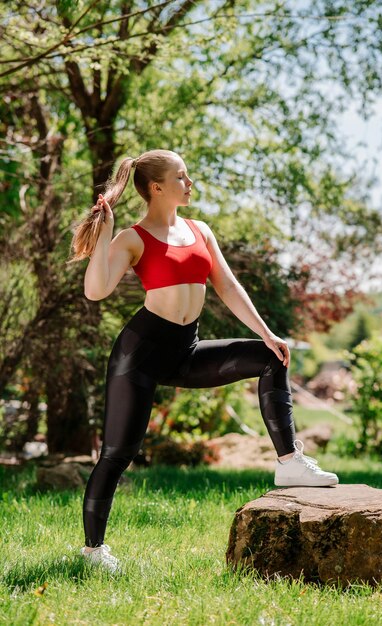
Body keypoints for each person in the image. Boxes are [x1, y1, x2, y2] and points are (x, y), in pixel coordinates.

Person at [69, 149, 338, 573]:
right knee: (119, 453)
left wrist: (267, 333)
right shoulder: (134, 238)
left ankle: (289, 464)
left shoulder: (200, 231)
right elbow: (96, 290)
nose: (190, 183)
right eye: (182, 176)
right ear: (157, 187)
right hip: (139, 354)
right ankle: (92, 552)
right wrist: (105, 234)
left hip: (186, 350)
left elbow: (228, 287)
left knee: (271, 358)